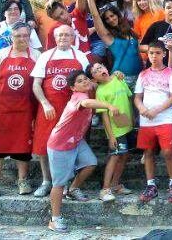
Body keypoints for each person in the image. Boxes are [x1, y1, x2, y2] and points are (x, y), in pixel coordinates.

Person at [46, 70, 119, 233]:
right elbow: (87, 104)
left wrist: (115, 74)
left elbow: (97, 80)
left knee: (90, 163)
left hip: (76, 140)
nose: (85, 82)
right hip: (60, 143)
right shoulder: (80, 98)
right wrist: (108, 105)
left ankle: (73, 189)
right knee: (58, 184)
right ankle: (54, 219)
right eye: (80, 81)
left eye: (85, 79)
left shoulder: (87, 88)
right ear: (73, 88)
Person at [30, 25, 90, 198]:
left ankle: (66, 183)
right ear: (55, 38)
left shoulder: (80, 56)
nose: (63, 37)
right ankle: (46, 181)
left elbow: (89, 81)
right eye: (60, 35)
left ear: (73, 37)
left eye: (67, 35)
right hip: (49, 109)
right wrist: (44, 103)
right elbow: (36, 84)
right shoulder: (45, 56)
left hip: (73, 111)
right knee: (43, 145)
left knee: (70, 146)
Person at [0, 22, 40, 196]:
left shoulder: (36, 55)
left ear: (29, 37)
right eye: (18, 36)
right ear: (11, 37)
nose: (22, 39)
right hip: (0, 109)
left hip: (25, 110)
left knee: (23, 147)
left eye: (25, 36)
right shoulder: (0, 54)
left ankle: (22, 180)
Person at [135, 41, 172, 204]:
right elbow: (137, 97)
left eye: (157, 53)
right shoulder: (143, 74)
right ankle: (151, 185)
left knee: (168, 152)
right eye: (151, 53)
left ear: (163, 54)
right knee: (148, 152)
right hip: (146, 120)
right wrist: (141, 108)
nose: (153, 56)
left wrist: (156, 110)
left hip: (165, 118)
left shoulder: (171, 74)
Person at [86, 62, 135, 202]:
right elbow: (104, 115)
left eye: (100, 67)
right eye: (95, 71)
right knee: (114, 156)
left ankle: (115, 185)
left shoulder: (119, 79)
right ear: (94, 79)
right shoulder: (100, 91)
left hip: (127, 126)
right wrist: (111, 136)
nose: (100, 70)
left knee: (124, 156)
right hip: (116, 130)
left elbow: (128, 98)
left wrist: (132, 118)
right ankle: (105, 189)